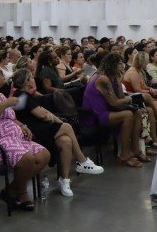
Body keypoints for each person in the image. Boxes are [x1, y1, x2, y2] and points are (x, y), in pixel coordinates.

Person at [0, 62, 50, 211]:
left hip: (13, 139)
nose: (4, 74)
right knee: (27, 159)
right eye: (0, 72)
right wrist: (5, 104)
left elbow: (9, 117)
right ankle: (22, 192)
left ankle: (11, 190)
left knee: (44, 155)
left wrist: (21, 125)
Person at [10, 69, 103, 197]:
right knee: (67, 127)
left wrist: (53, 118)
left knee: (66, 141)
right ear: (26, 82)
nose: (33, 79)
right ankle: (82, 160)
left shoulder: (26, 95)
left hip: (40, 127)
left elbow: (45, 112)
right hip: (32, 132)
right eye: (31, 77)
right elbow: (42, 115)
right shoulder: (21, 96)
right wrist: (51, 117)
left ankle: (64, 180)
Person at [82, 54, 146, 167]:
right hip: (95, 116)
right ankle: (125, 154)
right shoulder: (103, 78)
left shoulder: (113, 77)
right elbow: (115, 102)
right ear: (112, 65)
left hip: (107, 111)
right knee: (128, 115)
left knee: (137, 112)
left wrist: (119, 80)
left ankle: (135, 150)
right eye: (120, 63)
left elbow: (120, 98)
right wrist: (130, 98)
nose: (123, 65)